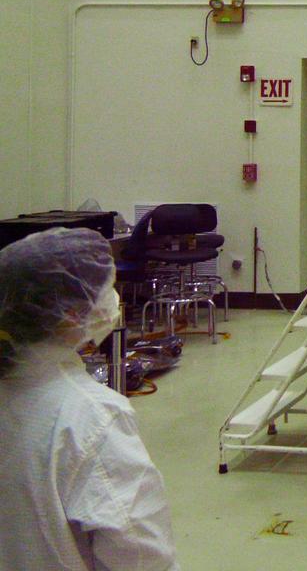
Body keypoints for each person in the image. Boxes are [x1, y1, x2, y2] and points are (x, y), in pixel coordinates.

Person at [0, 228, 180, 571]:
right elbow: (140, 556)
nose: (113, 299)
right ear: (70, 314)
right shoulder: (90, 416)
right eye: (106, 290)